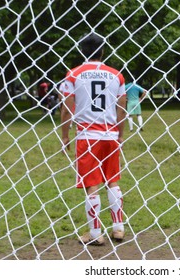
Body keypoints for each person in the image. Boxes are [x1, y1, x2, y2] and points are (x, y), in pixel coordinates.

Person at [60, 33, 127, 246]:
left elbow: (66, 108)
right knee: (112, 180)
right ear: (103, 51)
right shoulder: (117, 75)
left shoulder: (73, 74)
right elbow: (122, 107)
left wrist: (64, 135)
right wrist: (120, 133)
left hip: (88, 136)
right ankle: (118, 228)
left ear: (82, 51)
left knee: (91, 184)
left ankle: (95, 232)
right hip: (110, 134)